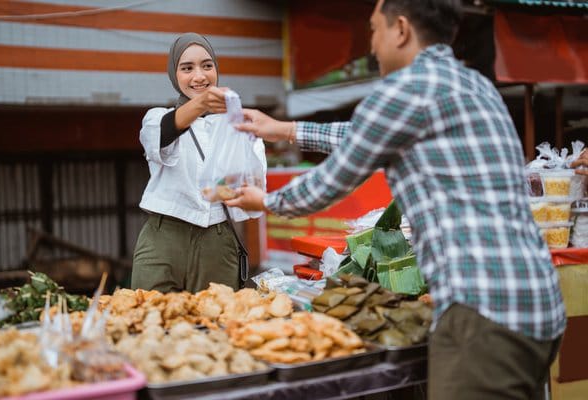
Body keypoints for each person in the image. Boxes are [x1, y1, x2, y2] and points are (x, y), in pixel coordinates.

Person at [226, 1, 566, 398]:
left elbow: (331, 182)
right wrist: (285, 130)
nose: (371, 46)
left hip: (484, 315)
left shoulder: (404, 88)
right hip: (540, 305)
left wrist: (265, 201)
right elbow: (372, 134)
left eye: (374, 30)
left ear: (401, 29)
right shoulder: (473, 84)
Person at [132, 32, 266, 293]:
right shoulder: (158, 117)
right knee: (147, 316)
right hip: (163, 236)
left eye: (207, 65)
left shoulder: (240, 126)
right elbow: (163, 133)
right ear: (174, 74)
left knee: (218, 322)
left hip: (217, 238)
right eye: (187, 68)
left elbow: (247, 187)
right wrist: (203, 102)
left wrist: (223, 190)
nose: (200, 76)